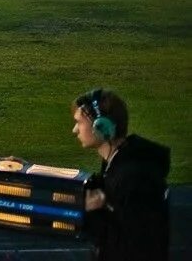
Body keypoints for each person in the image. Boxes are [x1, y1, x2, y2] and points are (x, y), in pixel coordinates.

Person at [72, 88, 170, 261]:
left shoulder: (134, 178)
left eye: (79, 123)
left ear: (101, 127)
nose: (75, 130)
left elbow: (134, 245)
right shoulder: (119, 161)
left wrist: (93, 212)